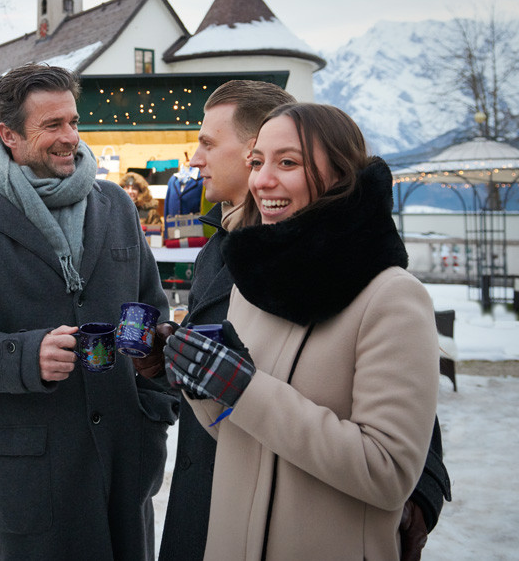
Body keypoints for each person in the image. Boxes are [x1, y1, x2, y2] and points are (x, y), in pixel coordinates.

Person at [145, 81, 450, 561]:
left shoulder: (385, 292)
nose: (195, 159)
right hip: (215, 528)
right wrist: (185, 373)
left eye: (286, 162)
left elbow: (399, 441)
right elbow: (235, 420)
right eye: (259, 162)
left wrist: (423, 492)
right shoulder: (243, 266)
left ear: (339, 174)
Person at [0, 63, 177, 561]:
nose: (71, 138)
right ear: (9, 135)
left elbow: (150, 304)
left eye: (74, 121)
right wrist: (25, 356)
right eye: (52, 126)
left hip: (126, 457)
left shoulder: (117, 206)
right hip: (37, 466)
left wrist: (153, 395)